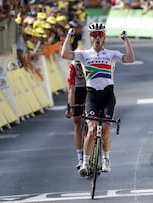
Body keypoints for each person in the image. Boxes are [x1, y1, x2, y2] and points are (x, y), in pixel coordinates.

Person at [60, 22, 135, 176]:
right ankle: (85, 163)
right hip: (92, 95)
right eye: (95, 34)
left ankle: (106, 158)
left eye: (100, 34)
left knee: (106, 129)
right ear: (90, 37)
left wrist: (126, 40)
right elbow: (65, 54)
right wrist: (69, 36)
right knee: (92, 129)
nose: (97, 37)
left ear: (104, 36)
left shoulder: (111, 54)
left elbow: (130, 59)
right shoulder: (84, 54)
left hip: (108, 95)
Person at [65, 60, 86, 170]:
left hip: (89, 88)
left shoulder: (89, 63)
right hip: (77, 90)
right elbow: (71, 90)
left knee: (93, 118)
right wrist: (71, 108)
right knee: (77, 122)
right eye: (79, 65)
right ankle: (80, 157)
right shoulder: (72, 67)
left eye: (81, 64)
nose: (80, 68)